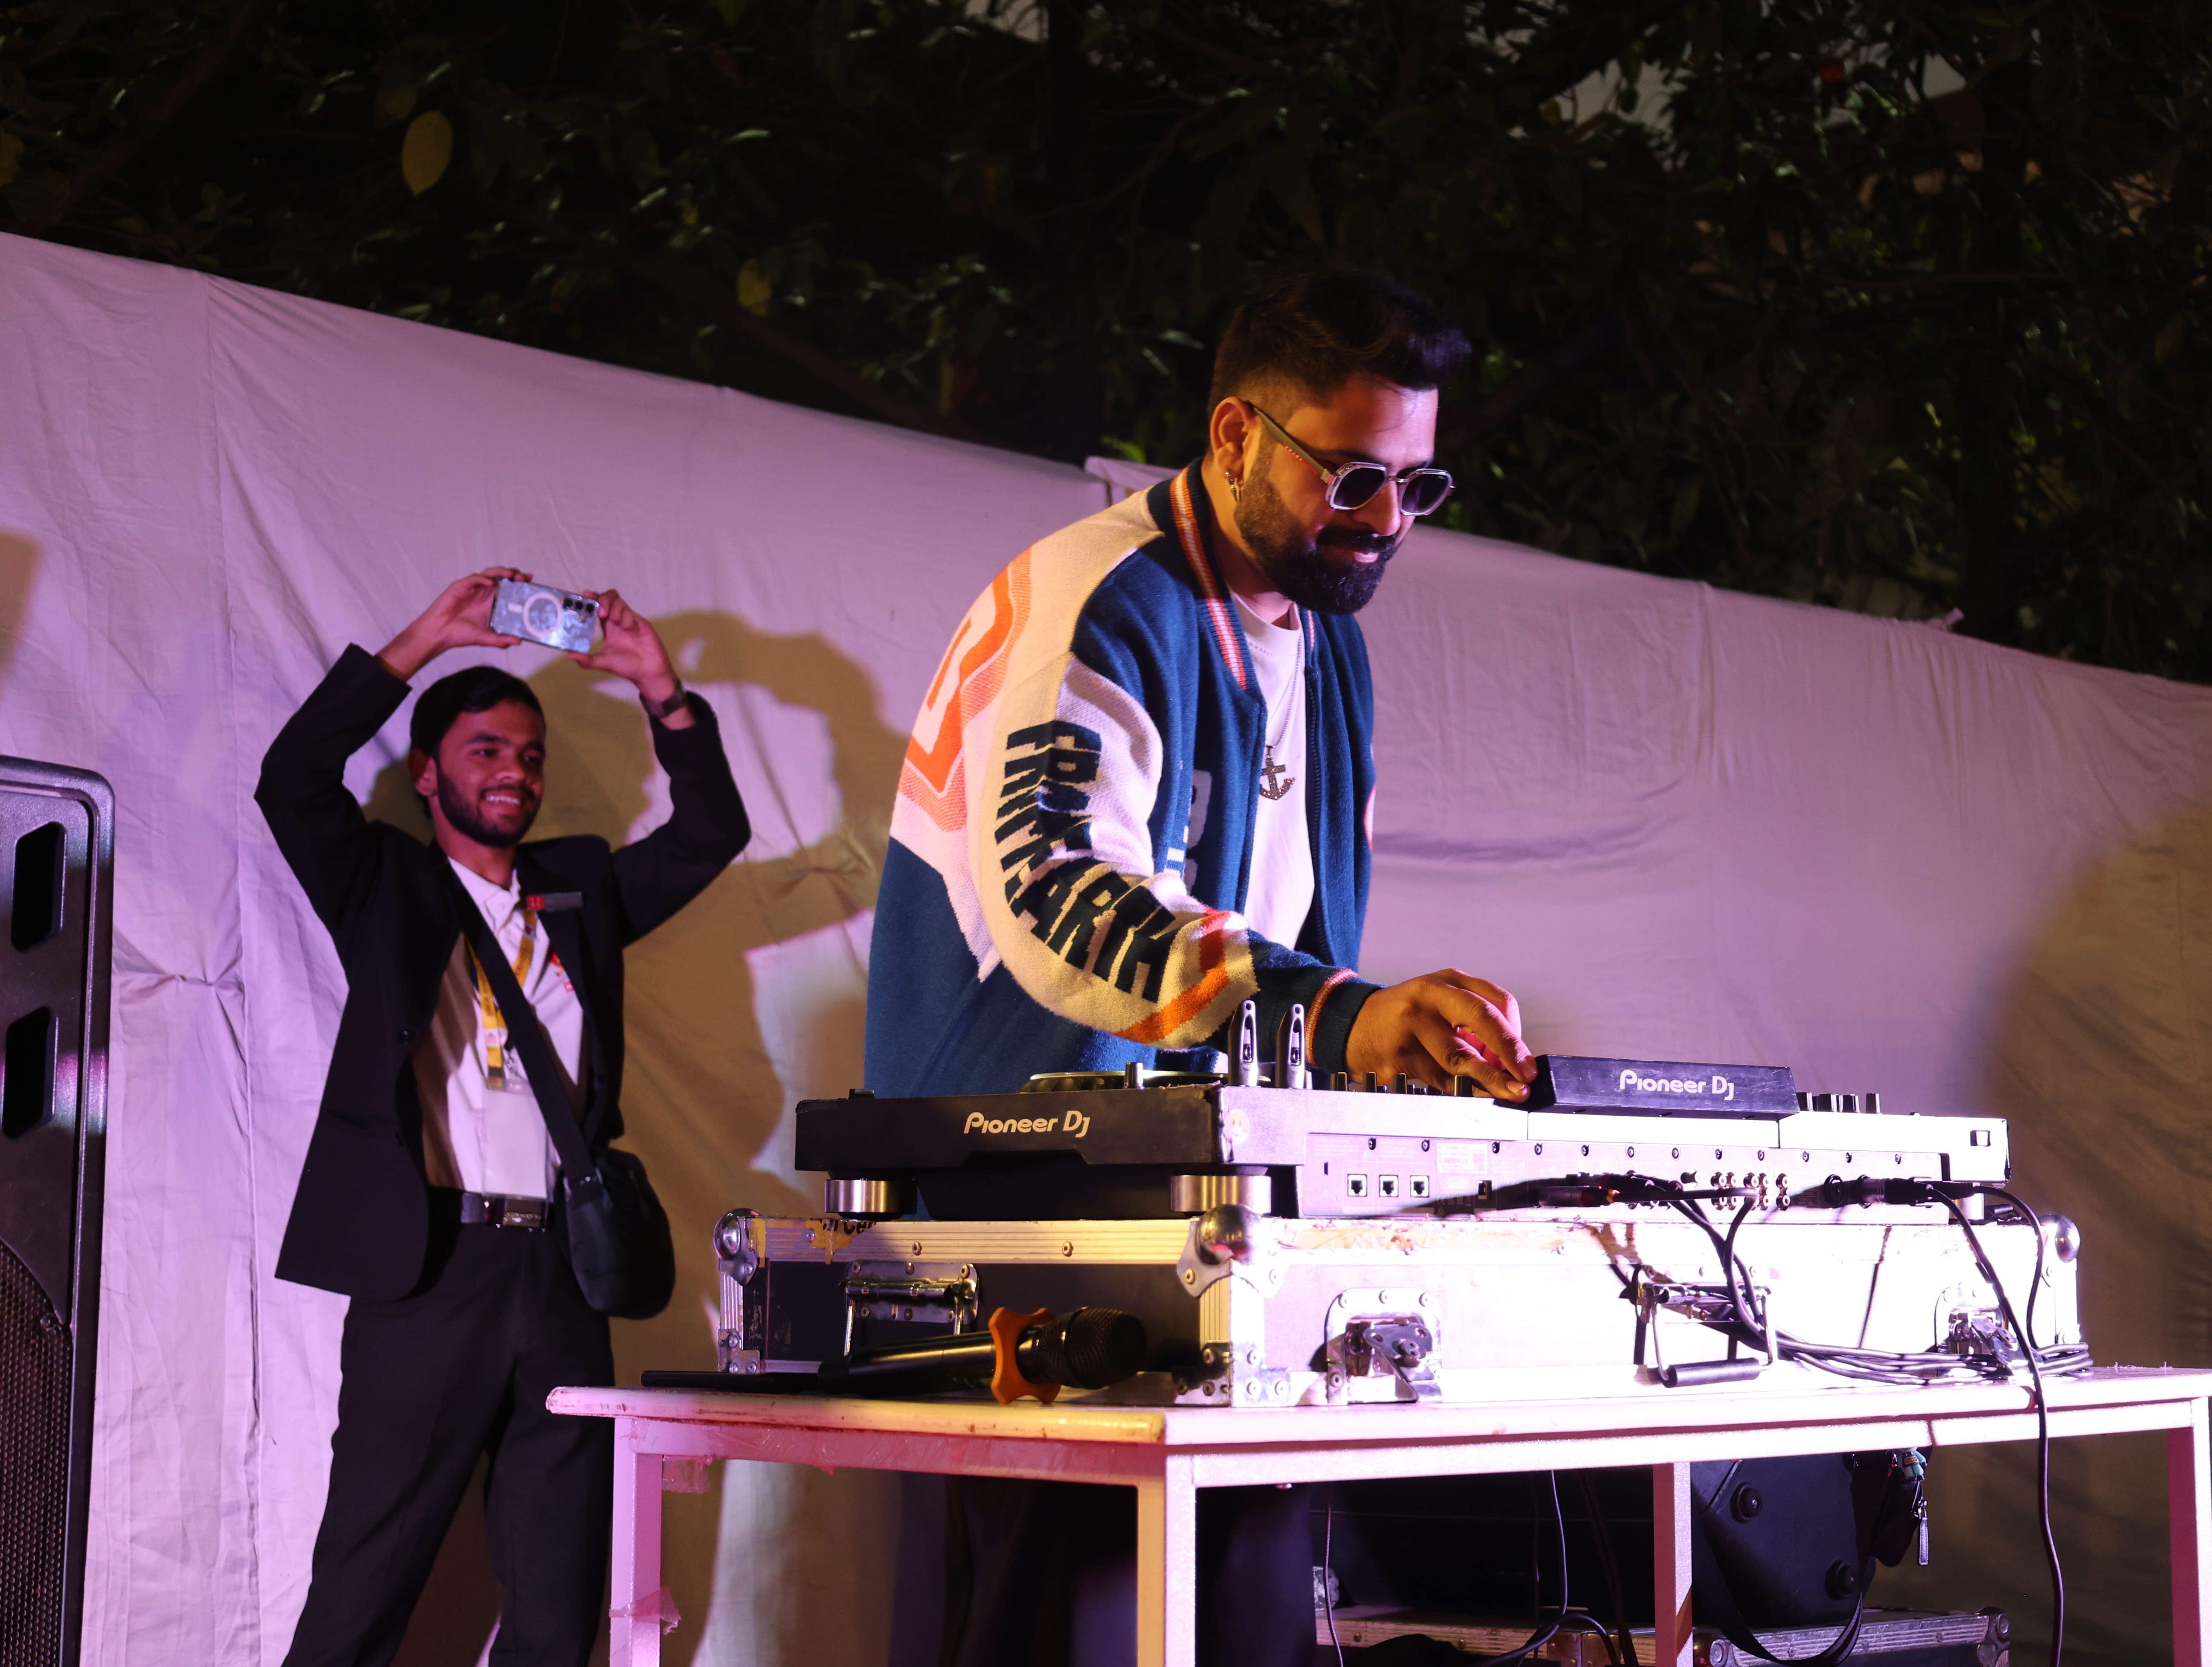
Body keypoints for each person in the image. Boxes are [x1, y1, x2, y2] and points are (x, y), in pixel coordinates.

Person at [867, 267, 1538, 1664]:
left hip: (1207, 1208)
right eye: (1353, 477)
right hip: (1030, 1201)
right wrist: (1337, 1015)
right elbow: (1062, 892)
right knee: (1071, 1623)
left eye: (1416, 486)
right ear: (1236, 435)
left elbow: (1299, 940)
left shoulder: (1329, 642)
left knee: (1255, 1609)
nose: (1386, 522)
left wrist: (1382, 1065)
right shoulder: (1100, 593)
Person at [257, 568, 750, 1667]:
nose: (516, 772)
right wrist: (425, 637)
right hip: (428, 1267)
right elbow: (292, 777)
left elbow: (712, 831)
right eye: (486, 751)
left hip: (564, 1276)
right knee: (361, 1594)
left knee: (556, 1604)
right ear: (429, 774)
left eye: (531, 756)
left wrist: (661, 687)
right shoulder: (384, 885)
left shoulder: (578, 889)